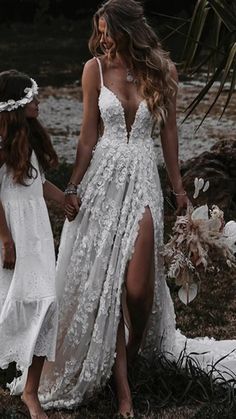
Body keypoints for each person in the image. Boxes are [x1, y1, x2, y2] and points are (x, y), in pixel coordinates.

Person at [38, 1, 187, 416]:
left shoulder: (163, 72)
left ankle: (129, 353)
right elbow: (87, 136)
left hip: (141, 178)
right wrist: (72, 185)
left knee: (139, 289)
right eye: (99, 31)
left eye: (108, 31)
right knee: (105, 282)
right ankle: (122, 388)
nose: (103, 39)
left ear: (128, 30)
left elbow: (170, 135)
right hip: (102, 179)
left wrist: (178, 189)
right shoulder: (95, 70)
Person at [0, 70, 64, 419]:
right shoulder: (1, 141)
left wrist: (66, 200)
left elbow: (37, 185)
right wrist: (6, 238)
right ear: (17, 104)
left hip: (37, 234)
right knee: (9, 303)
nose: (38, 102)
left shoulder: (29, 138)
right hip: (11, 234)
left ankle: (31, 390)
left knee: (48, 304)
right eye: (33, 98)